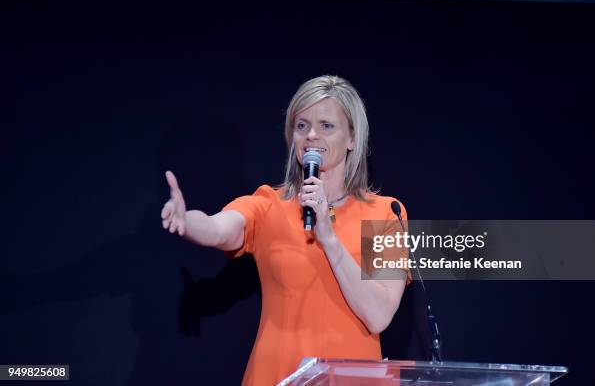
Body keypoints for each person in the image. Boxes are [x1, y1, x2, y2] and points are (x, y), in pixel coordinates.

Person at [161, 75, 409, 385]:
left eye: (326, 126)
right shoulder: (269, 204)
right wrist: (187, 222)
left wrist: (329, 239)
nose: (311, 135)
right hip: (277, 374)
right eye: (301, 125)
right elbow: (218, 228)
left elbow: (378, 315)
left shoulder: (386, 213)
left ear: (353, 139)